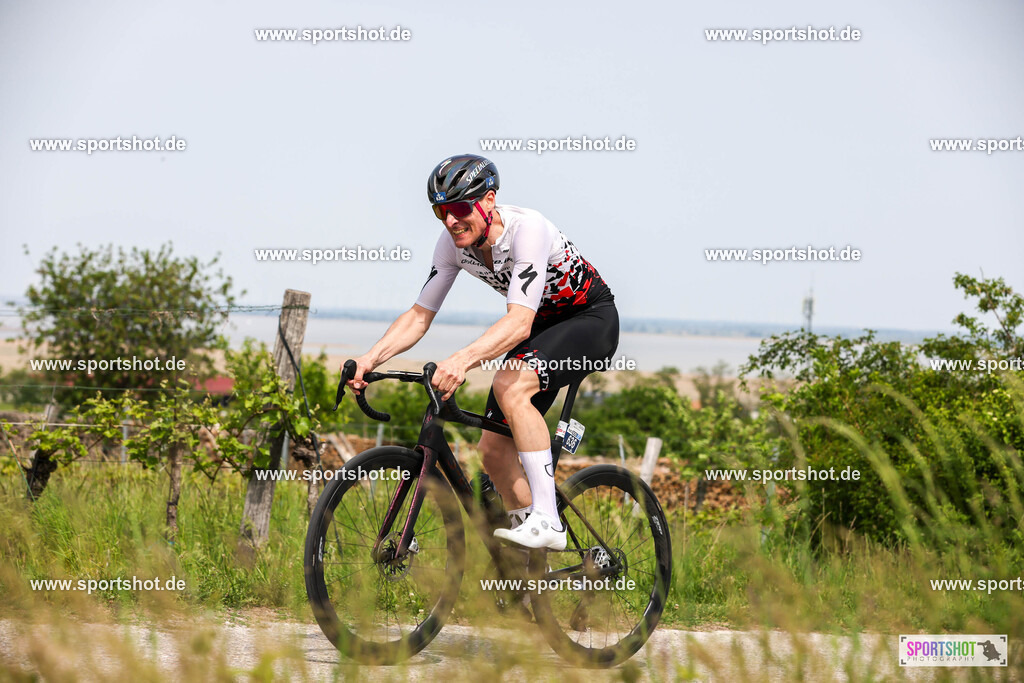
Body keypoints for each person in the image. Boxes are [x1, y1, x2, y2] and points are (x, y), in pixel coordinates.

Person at [346, 154, 619, 550]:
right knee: (493, 452)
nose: (451, 221)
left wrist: (460, 360)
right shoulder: (452, 245)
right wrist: (372, 359)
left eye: (459, 208)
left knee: (511, 385)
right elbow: (420, 315)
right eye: (441, 211)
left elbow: (519, 323)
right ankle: (527, 586)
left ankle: (549, 520)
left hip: (589, 320)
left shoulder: (528, 230)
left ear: (489, 201)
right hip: (542, 327)